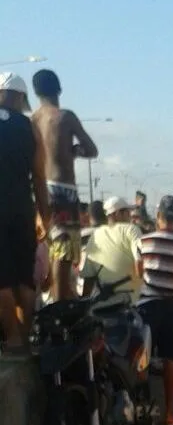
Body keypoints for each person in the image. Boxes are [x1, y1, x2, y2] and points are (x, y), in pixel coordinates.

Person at [31, 69, 98, 301]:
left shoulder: (32, 120)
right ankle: (60, 310)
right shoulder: (65, 117)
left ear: (35, 92)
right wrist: (74, 152)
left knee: (49, 247)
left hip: (39, 189)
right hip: (63, 192)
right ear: (58, 89)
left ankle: (53, 303)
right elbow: (92, 149)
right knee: (64, 254)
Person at [0, 72, 50, 353]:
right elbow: (39, 178)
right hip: (22, 207)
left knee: (2, 281)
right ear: (19, 98)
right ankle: (25, 336)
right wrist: (46, 217)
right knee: (24, 279)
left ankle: (13, 338)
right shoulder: (29, 128)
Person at [135, 196, 173, 425]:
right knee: (170, 361)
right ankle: (169, 414)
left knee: (143, 359)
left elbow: (139, 272)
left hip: (148, 306)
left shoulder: (144, 241)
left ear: (158, 216)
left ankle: (142, 409)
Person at [80, 197, 143, 308]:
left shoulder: (95, 235)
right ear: (117, 214)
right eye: (127, 212)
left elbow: (88, 278)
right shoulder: (132, 230)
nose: (130, 215)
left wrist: (84, 305)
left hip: (102, 306)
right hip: (130, 304)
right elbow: (140, 264)